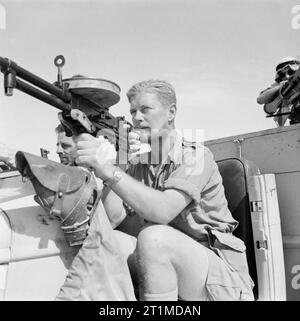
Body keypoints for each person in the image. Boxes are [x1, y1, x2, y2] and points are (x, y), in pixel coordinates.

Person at [74, 79, 254, 301]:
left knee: (153, 238)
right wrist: (119, 161)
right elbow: (112, 219)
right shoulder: (138, 163)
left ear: (171, 113)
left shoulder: (196, 156)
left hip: (222, 282)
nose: (137, 117)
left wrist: (109, 171)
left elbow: (162, 212)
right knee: (113, 242)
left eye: (146, 109)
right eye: (133, 111)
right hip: (171, 272)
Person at [257, 56, 300, 127]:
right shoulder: (279, 85)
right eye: (283, 74)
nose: (287, 76)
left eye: (290, 72)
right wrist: (283, 87)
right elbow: (260, 100)